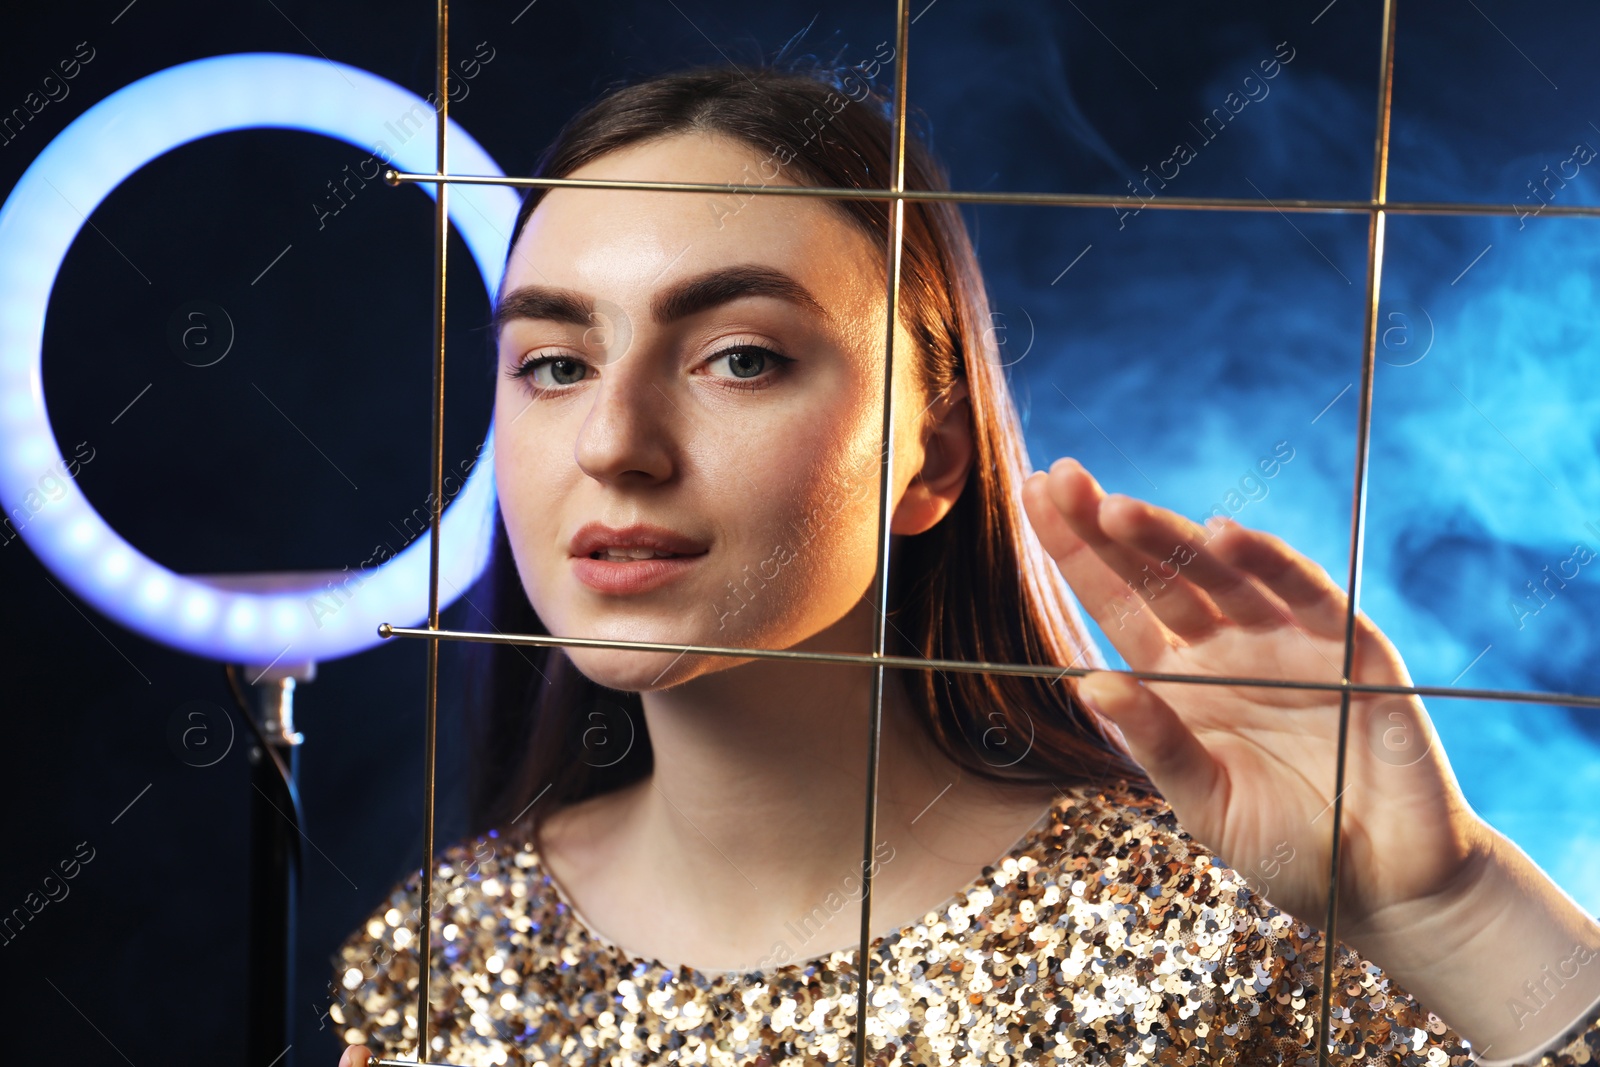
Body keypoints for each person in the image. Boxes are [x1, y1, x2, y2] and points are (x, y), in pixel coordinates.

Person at [325, 57, 1600, 1067]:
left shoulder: (1212, 931)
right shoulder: (450, 952)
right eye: (555, 364)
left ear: (931, 456)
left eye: (742, 356)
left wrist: (1456, 906)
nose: (614, 442)